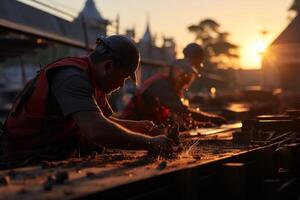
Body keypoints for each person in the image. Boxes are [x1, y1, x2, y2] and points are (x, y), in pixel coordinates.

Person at [1, 35, 174, 164]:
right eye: (122, 77)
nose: (121, 85)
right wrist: (150, 143)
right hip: (24, 161)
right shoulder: (72, 77)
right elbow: (97, 130)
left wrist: (139, 127)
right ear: (108, 66)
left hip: (51, 156)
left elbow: (102, 120)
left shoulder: (95, 82)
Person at [119, 43, 226, 129]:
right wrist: (212, 119)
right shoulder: (162, 85)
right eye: (186, 76)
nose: (187, 81)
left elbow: (177, 116)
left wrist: (202, 124)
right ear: (179, 73)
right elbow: (182, 110)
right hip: (129, 130)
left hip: (147, 128)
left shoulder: (171, 85)